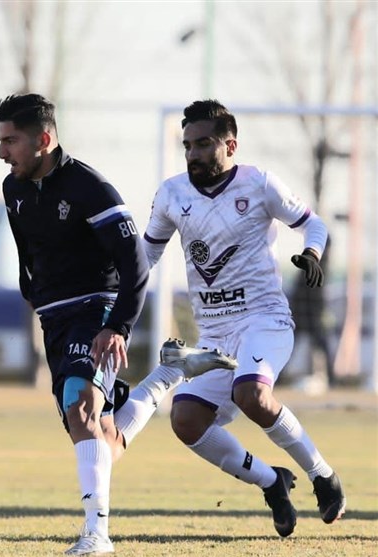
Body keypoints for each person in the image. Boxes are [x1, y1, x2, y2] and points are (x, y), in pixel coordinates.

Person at [0, 93, 236, 555]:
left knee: (81, 409)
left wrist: (118, 326)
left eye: (11, 141)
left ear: (43, 140)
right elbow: (28, 252)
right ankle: (169, 373)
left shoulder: (89, 188)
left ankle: (96, 535)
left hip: (96, 309)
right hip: (55, 318)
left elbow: (135, 264)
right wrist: (33, 292)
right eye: (1, 141)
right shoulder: (14, 189)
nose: (3, 152)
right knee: (102, 439)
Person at [143, 99, 346, 538]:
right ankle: (272, 482)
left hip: (264, 320)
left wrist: (312, 253)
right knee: (185, 419)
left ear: (230, 145)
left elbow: (314, 225)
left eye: (203, 144)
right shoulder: (172, 194)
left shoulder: (259, 183)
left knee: (252, 394)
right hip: (214, 335)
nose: (193, 154)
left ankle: (322, 475)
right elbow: (146, 257)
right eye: (187, 146)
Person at [289, 236, 336, 390]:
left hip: (309, 313)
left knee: (295, 346)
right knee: (290, 346)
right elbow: (306, 291)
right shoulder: (315, 262)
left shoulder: (319, 262)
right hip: (305, 313)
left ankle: (332, 379)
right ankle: (276, 377)